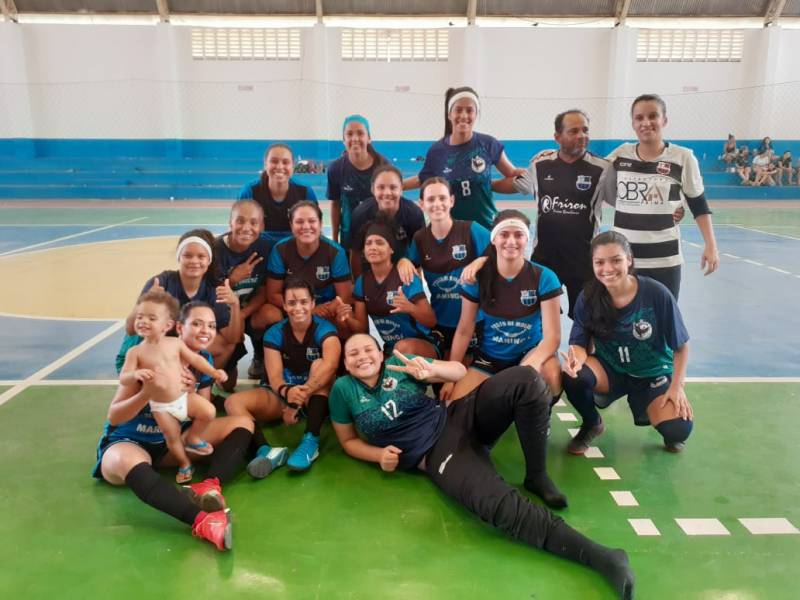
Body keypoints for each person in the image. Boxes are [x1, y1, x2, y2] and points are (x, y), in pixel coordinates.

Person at [329, 335, 634, 599]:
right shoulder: (343, 391)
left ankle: (537, 475)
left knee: (526, 379)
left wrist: (432, 369)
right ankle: (601, 557)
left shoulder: (399, 363)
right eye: (353, 353)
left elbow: (459, 370)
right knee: (497, 505)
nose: (362, 356)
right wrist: (379, 454)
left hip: (456, 415)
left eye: (367, 349)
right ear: (345, 363)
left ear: (379, 354)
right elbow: (348, 441)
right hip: (436, 452)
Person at [94, 301, 256, 551]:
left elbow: (202, 413)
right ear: (178, 328)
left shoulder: (201, 360)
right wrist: (147, 392)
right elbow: (114, 416)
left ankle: (210, 485)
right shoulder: (143, 357)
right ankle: (203, 521)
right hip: (130, 444)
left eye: (211, 325)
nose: (205, 331)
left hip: (171, 443)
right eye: (198, 324)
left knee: (242, 423)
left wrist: (187, 394)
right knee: (124, 460)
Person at [561, 231, 693, 455]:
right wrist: (575, 362)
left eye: (616, 260)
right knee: (574, 377)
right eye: (599, 262)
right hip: (610, 369)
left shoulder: (655, 293)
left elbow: (681, 346)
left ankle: (659, 412)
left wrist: (677, 387)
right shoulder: (588, 297)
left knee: (678, 429)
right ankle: (592, 423)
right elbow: (579, 343)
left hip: (652, 373)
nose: (608, 269)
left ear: (629, 260)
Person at [494, 109, 610, 318]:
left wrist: (670, 209)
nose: (581, 136)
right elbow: (516, 185)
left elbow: (624, 199)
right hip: (546, 258)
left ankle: (583, 351)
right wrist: (484, 185)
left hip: (584, 260)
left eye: (585, 130)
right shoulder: (540, 165)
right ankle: (546, 352)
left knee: (588, 321)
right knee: (543, 317)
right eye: (573, 131)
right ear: (557, 137)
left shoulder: (603, 169)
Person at [603, 93, 719, 299]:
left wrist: (711, 245)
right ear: (633, 123)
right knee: (621, 324)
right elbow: (593, 173)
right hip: (624, 260)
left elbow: (699, 205)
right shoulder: (620, 154)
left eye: (653, 116)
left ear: (664, 120)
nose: (646, 123)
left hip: (664, 261)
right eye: (639, 118)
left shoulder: (683, 157)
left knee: (663, 322)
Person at [225, 277, 341, 475]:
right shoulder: (274, 333)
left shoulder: (326, 330)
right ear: (285, 306)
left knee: (320, 365)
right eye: (292, 303)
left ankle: (310, 441)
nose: (298, 308)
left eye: (304, 302)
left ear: (313, 303)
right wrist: (288, 393)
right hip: (284, 394)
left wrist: (298, 401)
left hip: (314, 395)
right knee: (232, 403)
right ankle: (265, 450)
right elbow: (275, 377)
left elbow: (330, 366)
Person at [444, 210, 562, 402]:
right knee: (455, 405)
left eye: (518, 235)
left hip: (528, 353)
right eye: (504, 234)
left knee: (550, 375)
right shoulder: (477, 279)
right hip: (491, 357)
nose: (511, 241)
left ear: (527, 239)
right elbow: (465, 329)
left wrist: (530, 366)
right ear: (493, 239)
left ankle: (541, 411)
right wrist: (450, 377)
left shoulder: (545, 277)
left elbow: (553, 337)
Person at [119, 290, 226, 483]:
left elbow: (195, 359)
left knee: (209, 412)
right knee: (172, 438)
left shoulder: (175, 343)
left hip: (183, 397)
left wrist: (215, 373)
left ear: (167, 325)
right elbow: (124, 378)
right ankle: (185, 464)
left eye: (151, 318)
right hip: (160, 406)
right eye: (140, 317)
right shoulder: (135, 352)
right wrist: (134, 374)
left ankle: (193, 438)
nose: (143, 321)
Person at [116, 229, 242, 379]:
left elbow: (232, 339)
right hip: (142, 353)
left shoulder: (213, 289)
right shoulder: (161, 283)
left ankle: (200, 383)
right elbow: (131, 329)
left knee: (226, 345)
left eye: (201, 256)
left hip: (174, 348)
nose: (194, 261)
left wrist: (235, 304)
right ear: (179, 257)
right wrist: (147, 300)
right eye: (187, 255)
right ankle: (174, 384)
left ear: (209, 260)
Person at [404, 86, 523, 229]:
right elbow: (422, 178)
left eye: (469, 110)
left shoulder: (488, 144)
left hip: (487, 228)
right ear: (449, 114)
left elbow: (512, 174)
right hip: (452, 233)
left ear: (476, 114)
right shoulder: (437, 151)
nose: (464, 115)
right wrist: (396, 186)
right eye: (458, 110)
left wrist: (535, 174)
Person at [404, 177, 490, 358]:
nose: (437, 204)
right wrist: (402, 262)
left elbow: (501, 251)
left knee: (464, 380)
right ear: (422, 204)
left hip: (475, 322)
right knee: (439, 381)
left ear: (452, 200)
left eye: (442, 198)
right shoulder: (420, 239)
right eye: (431, 199)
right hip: (440, 323)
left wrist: (479, 261)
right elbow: (412, 271)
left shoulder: (471, 230)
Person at [338, 216, 437, 358]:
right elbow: (362, 329)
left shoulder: (405, 275)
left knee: (401, 348)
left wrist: (410, 307)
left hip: (423, 344)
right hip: (391, 349)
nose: (373, 247)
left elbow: (431, 320)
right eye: (369, 243)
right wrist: (347, 317)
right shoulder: (362, 282)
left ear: (391, 249)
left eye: (379, 243)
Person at [265, 201, 352, 330]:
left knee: (347, 318)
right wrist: (309, 309)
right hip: (294, 306)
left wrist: (329, 308)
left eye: (312, 221)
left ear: (321, 224)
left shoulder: (335, 252)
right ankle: (268, 347)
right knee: (267, 314)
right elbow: (273, 294)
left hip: (326, 309)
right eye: (299, 222)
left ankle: (344, 346)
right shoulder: (280, 250)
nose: (306, 226)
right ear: (291, 225)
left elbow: (344, 295)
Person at [213, 199, 274, 380]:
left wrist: (242, 313)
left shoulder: (266, 247)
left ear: (261, 226)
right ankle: (206, 376)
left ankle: (260, 357)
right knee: (228, 384)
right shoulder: (214, 250)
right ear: (230, 223)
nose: (246, 227)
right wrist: (232, 280)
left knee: (272, 315)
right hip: (221, 314)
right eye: (240, 221)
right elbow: (208, 295)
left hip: (248, 311)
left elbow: (264, 290)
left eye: (253, 222)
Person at [238, 143, 317, 253]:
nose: (280, 167)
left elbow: (315, 230)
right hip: (260, 247)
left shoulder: (305, 191)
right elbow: (239, 229)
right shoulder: (250, 191)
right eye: (274, 161)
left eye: (285, 162)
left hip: (295, 247)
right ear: (265, 164)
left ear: (293, 166)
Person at [349, 163, 425, 278]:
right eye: (381, 187)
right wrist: (359, 285)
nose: (387, 193)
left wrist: (415, 288)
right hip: (370, 270)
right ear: (373, 189)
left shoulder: (414, 215)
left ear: (401, 189)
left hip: (400, 269)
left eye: (393, 187)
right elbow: (355, 253)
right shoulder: (360, 214)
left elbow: (417, 256)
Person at [327, 114, 387, 250]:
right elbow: (335, 204)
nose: (355, 138)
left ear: (369, 138)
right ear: (343, 139)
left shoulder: (383, 167)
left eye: (360, 133)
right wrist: (335, 239)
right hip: (349, 237)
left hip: (377, 235)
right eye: (349, 134)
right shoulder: (335, 169)